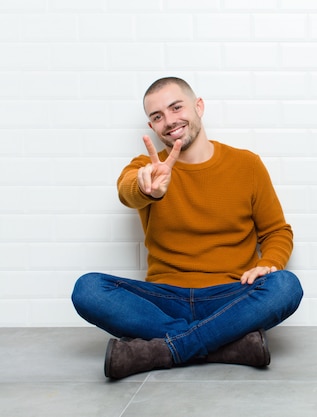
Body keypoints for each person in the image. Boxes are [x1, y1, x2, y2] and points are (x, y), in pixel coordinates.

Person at [71, 77, 303, 379]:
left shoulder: (247, 164)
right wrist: (148, 189)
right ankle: (225, 345)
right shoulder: (147, 168)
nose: (169, 121)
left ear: (198, 106)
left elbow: (276, 232)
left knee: (286, 285)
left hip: (231, 296)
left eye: (176, 107)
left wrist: (268, 264)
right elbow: (127, 190)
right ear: (152, 127)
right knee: (88, 289)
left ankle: (166, 349)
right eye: (157, 117)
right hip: (164, 300)